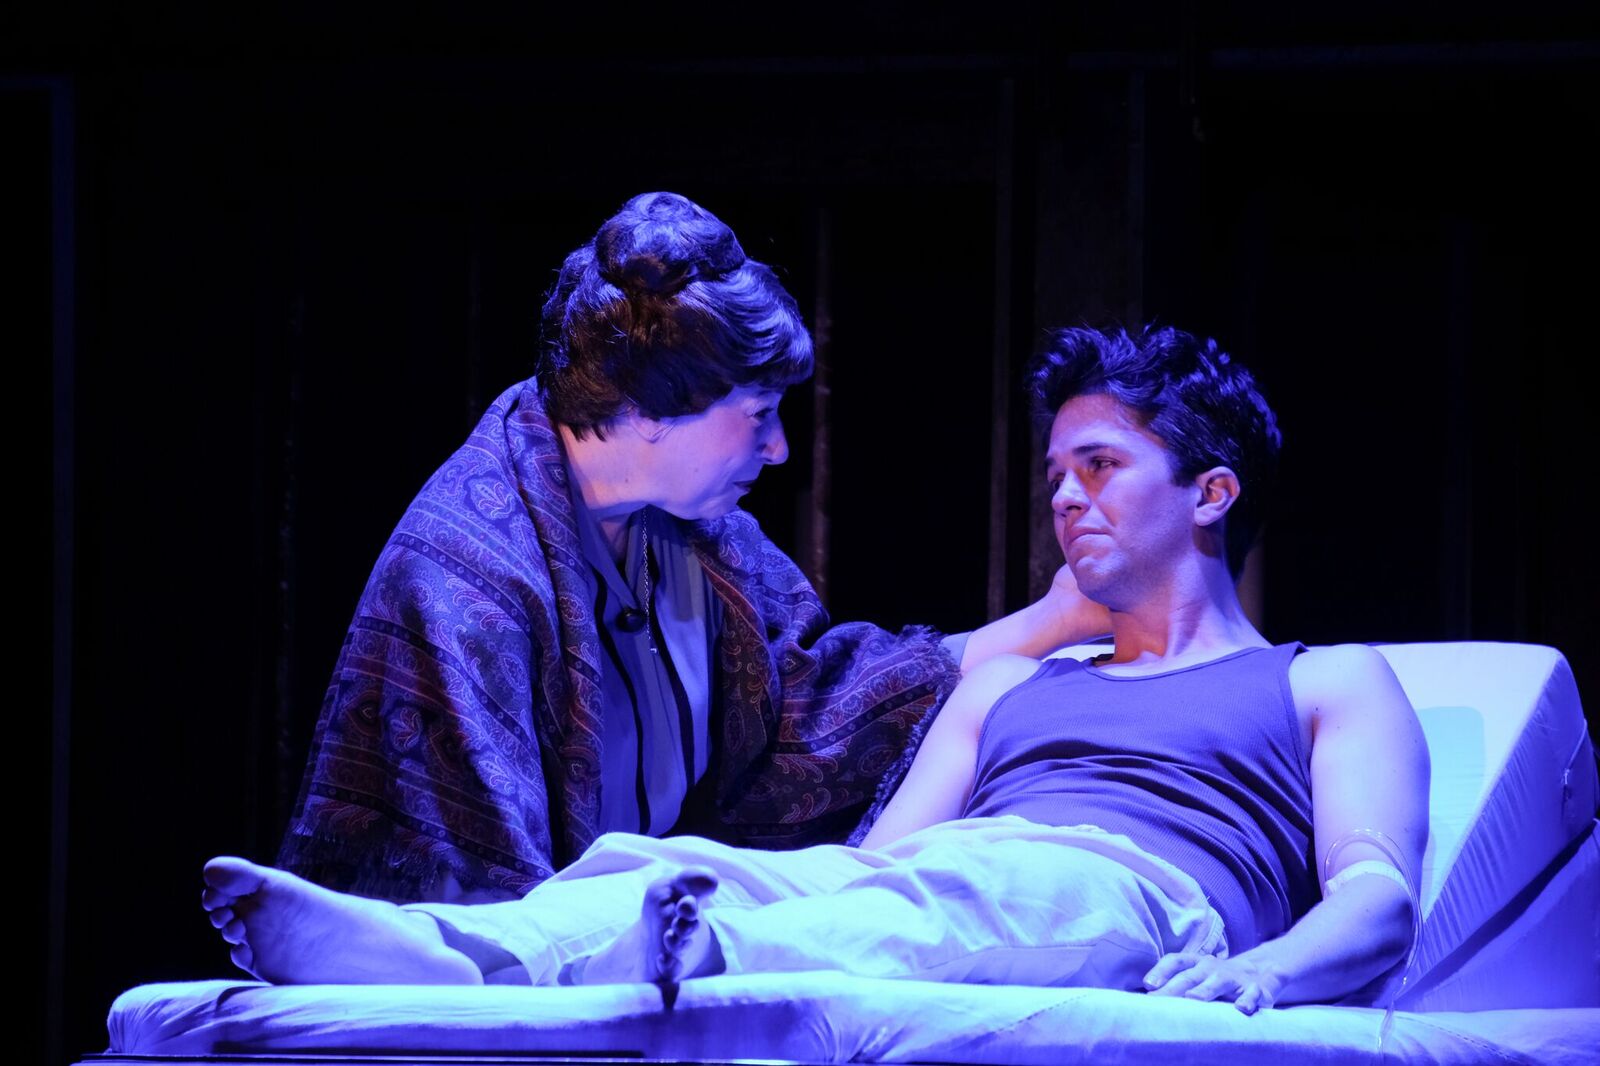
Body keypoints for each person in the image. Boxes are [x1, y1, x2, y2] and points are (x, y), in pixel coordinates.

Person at [206, 325, 1428, 1013]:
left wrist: (1257, 974)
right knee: (671, 866)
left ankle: (689, 967)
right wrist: (754, 886)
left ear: (1211, 492)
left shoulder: (1323, 682)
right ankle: (431, 954)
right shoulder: (1014, 686)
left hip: (1136, 897)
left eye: (1099, 466)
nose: (1064, 497)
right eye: (1055, 473)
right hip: (960, 881)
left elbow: (1376, 898)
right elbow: (877, 866)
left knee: (981, 896)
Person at [279, 191, 1104, 904]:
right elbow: (465, 882)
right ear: (648, 410)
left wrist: (1056, 620)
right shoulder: (467, 583)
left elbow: (806, 713)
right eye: (758, 414)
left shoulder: (688, 534)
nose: (779, 449)